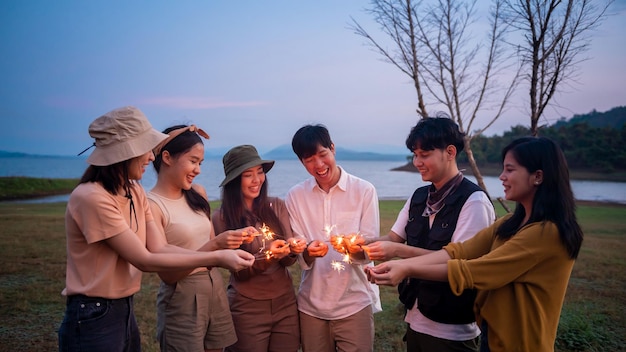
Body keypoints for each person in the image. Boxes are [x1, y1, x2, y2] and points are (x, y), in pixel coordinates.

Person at [58, 106, 255, 352]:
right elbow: (145, 259)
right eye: (145, 149)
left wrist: (219, 249)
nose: (151, 157)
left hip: (124, 307)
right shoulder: (91, 197)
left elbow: (160, 247)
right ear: (123, 152)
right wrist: (216, 254)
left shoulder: (134, 191)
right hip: (93, 310)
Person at [366, 136, 584, 352]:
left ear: (537, 176)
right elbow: (458, 252)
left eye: (510, 170)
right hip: (494, 336)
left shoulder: (546, 233)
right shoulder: (510, 222)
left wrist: (406, 266)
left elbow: (472, 269)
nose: (501, 177)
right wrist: (398, 259)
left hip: (524, 344)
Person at [362, 117, 496, 351]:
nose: (417, 162)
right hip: (415, 318)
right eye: (415, 155)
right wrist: (361, 244)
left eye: (424, 155)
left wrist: (399, 253)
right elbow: (393, 238)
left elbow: (461, 264)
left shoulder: (474, 201)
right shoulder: (419, 196)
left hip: (452, 329)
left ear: (450, 152)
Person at [148, 125, 254, 352]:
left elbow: (212, 248)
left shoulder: (198, 193)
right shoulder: (152, 204)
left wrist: (230, 242)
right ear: (167, 157)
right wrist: (216, 247)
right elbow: (167, 274)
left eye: (201, 163)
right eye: (193, 161)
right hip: (182, 294)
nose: (198, 169)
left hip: (215, 285)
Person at [285, 124, 381, 352]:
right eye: (309, 159)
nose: (318, 165)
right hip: (311, 306)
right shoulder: (295, 196)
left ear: (333, 149)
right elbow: (298, 252)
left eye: (322, 155)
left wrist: (352, 248)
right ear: (301, 162)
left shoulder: (364, 190)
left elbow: (370, 248)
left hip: (355, 302)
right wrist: (307, 251)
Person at [212, 145, 306, 352]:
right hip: (247, 307)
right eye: (248, 175)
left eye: (260, 172)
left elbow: (289, 261)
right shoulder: (222, 217)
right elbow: (241, 272)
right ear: (235, 180)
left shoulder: (276, 206)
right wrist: (270, 255)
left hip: (285, 303)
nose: (257, 180)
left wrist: (292, 249)